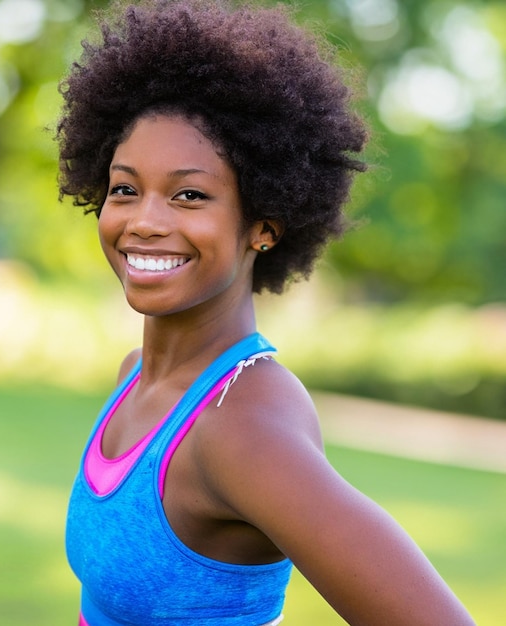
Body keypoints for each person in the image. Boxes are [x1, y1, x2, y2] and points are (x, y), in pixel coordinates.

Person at [56, 1, 476, 624]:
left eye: (189, 195)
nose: (144, 220)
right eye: (125, 188)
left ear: (264, 226)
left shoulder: (242, 429)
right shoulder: (135, 378)